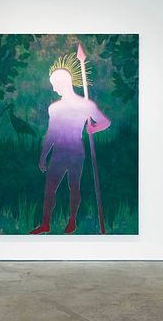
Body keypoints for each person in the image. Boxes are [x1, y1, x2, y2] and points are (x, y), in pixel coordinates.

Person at [30, 53, 110, 234]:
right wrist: (43, 156)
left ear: (63, 83)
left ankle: (72, 220)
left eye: (55, 84)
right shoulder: (55, 108)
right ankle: (45, 223)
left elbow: (105, 122)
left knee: (74, 186)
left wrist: (94, 129)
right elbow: (51, 133)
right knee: (50, 188)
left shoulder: (85, 105)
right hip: (59, 151)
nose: (53, 89)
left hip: (75, 150)